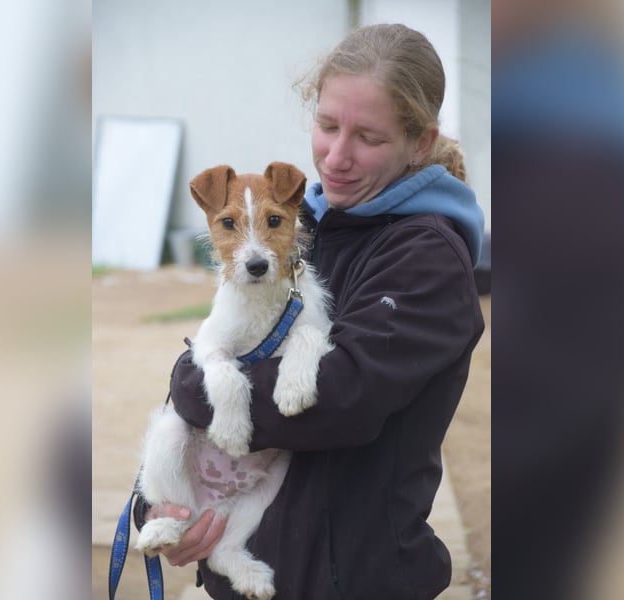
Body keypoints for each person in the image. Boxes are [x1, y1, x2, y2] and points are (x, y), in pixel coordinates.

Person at [137, 23, 485, 599]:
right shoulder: (303, 222)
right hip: (250, 566)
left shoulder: (426, 256)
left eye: (368, 137)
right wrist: (167, 499)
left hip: (344, 580)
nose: (337, 157)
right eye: (327, 126)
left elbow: (340, 398)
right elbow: (228, 348)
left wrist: (191, 384)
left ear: (420, 143)